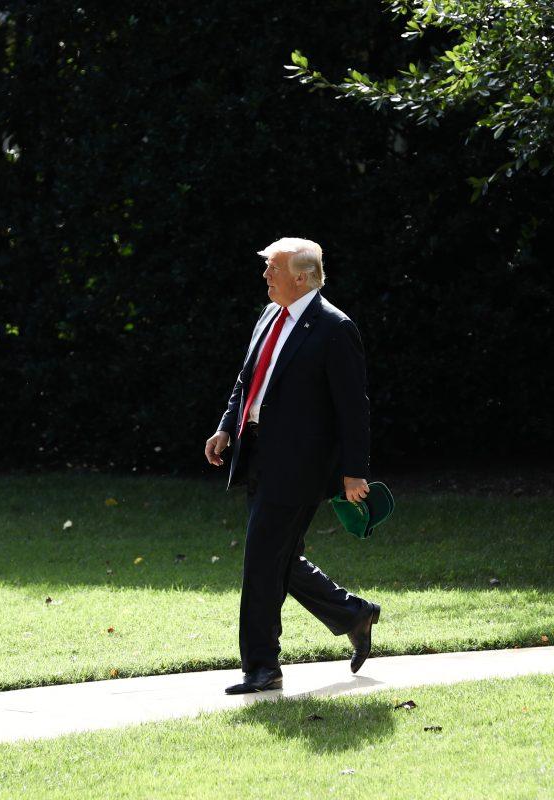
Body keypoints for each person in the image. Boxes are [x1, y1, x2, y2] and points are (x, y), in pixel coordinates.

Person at [204, 237, 380, 694]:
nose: (265, 276)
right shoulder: (269, 316)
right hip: (257, 453)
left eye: (272, 269)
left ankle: (261, 667)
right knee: (277, 556)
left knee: (262, 560)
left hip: (301, 466)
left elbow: (353, 406)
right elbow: (248, 379)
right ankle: (352, 614)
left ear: (300, 278)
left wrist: (354, 470)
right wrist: (227, 427)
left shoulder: (334, 328)